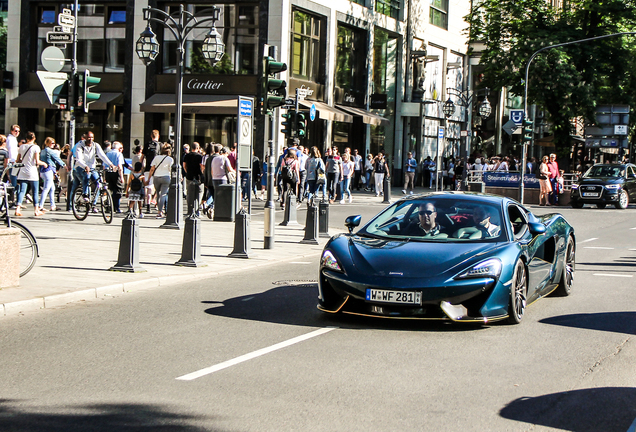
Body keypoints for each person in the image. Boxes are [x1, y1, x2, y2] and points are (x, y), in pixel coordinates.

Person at [74, 131, 115, 204]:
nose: (90, 139)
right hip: (81, 167)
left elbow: (102, 155)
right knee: (87, 176)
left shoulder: (96, 145)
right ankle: (85, 195)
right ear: (85, 138)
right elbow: (79, 159)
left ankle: (94, 203)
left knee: (99, 184)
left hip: (92, 167)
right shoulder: (80, 145)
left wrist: (110, 164)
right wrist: (85, 166)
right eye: (89, 137)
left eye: (92, 137)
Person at [14, 131, 47, 217]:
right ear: (34, 138)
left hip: (23, 171)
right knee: (35, 191)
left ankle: (17, 208)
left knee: (22, 191)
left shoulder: (21, 147)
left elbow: (18, 160)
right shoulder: (36, 147)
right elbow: (37, 161)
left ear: (26, 138)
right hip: (32, 172)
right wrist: (44, 164)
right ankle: (36, 210)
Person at [39, 137, 66, 212]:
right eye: (52, 143)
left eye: (54, 143)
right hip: (49, 170)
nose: (53, 145)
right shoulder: (49, 151)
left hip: (43, 171)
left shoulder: (43, 151)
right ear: (47, 143)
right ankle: (40, 205)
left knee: (52, 188)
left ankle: (52, 205)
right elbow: (57, 158)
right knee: (46, 188)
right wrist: (64, 165)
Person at [148, 143, 174, 219]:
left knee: (158, 194)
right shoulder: (170, 159)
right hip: (166, 177)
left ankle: (159, 211)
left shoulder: (156, 157)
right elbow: (171, 169)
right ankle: (161, 211)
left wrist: (149, 177)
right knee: (163, 194)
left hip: (156, 176)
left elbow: (152, 168)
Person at [182, 141, 204, 216]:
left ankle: (190, 210)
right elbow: (201, 166)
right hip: (198, 176)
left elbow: (184, 165)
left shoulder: (187, 156)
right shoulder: (199, 156)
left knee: (189, 193)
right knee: (199, 193)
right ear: (197, 148)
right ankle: (197, 210)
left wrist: (187, 171)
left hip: (189, 176)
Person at [141, 130, 161, 214]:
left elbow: (142, 157)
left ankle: (147, 205)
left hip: (148, 168)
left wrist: (141, 166)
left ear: (151, 136)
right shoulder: (160, 145)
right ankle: (156, 204)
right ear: (158, 136)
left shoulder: (147, 144)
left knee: (148, 188)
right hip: (157, 169)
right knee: (158, 188)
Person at [105, 141, 125, 213]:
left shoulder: (108, 153)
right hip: (116, 173)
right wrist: (122, 177)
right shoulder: (119, 154)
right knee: (118, 191)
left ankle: (109, 206)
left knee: (110, 190)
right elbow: (120, 166)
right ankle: (116, 207)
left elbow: (104, 165)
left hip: (108, 173)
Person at [6, 124, 20, 191]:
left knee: (14, 179)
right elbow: (11, 150)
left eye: (18, 131)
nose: (17, 133)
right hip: (13, 161)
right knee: (13, 180)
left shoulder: (13, 138)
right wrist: (13, 161)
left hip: (14, 161)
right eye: (15, 131)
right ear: (12, 131)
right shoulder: (11, 139)